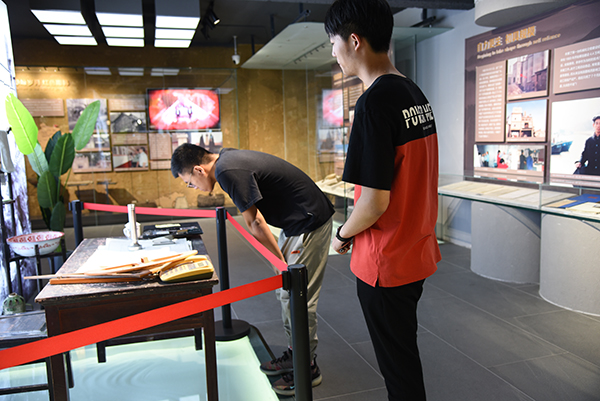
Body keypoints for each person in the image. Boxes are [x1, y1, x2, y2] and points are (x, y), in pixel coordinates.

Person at [325, 1, 440, 400]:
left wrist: (342, 234)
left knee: (398, 370)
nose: (333, 52)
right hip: (415, 249)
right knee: (403, 356)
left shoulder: (373, 103)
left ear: (354, 41)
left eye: (334, 43)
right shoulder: (412, 91)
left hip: (385, 261)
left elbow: (374, 203)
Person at [171, 144, 334, 395]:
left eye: (189, 183)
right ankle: (296, 354)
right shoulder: (226, 160)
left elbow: (255, 222)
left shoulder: (226, 171)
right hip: (296, 222)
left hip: (309, 221)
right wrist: (280, 264)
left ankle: (307, 368)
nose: (193, 188)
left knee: (298, 298)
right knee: (287, 294)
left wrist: (279, 264)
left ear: (198, 170)